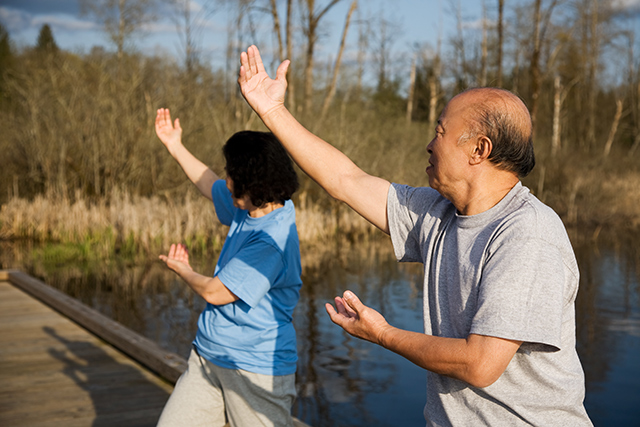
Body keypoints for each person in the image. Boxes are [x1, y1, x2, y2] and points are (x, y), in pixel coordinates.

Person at [237, 45, 593, 426]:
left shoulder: (527, 234)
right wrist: (272, 111)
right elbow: (346, 180)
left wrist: (383, 334)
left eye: (441, 131)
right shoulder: (438, 213)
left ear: (479, 149)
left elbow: (480, 364)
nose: (429, 143)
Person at [154, 108, 302, 427]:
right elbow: (207, 181)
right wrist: (174, 145)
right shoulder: (250, 207)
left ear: (251, 182)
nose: (226, 179)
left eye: (231, 173)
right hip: (209, 355)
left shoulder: (271, 241)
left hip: (254, 369)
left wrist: (182, 269)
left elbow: (216, 292)